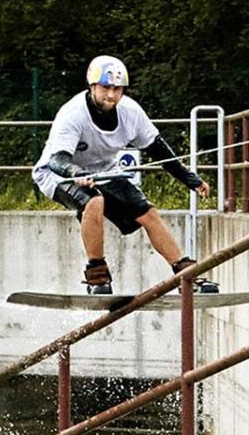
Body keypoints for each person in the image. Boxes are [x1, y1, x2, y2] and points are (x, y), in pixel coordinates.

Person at [31, 55, 216, 295]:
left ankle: (185, 274)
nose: (111, 95)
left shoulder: (130, 112)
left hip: (105, 171)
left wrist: (190, 179)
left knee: (147, 212)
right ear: (92, 86)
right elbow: (57, 160)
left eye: (117, 89)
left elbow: (158, 149)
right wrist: (77, 173)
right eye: (105, 88)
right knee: (94, 201)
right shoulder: (73, 113)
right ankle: (97, 276)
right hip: (58, 174)